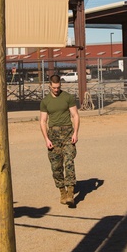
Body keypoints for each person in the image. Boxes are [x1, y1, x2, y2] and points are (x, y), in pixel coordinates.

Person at [39, 74, 80, 207]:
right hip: (53, 136)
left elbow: (75, 115)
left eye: (58, 87)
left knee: (69, 162)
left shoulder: (67, 97)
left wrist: (75, 132)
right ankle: (62, 192)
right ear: (49, 85)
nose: (56, 90)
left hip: (67, 133)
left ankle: (70, 193)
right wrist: (46, 139)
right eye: (54, 87)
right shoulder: (45, 101)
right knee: (56, 166)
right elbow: (43, 121)